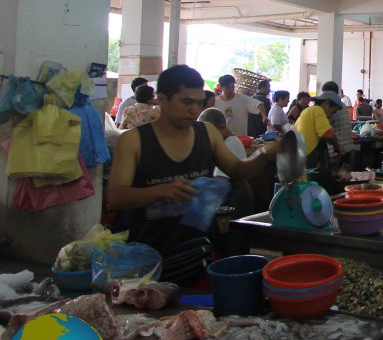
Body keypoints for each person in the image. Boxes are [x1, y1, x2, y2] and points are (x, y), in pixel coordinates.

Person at [106, 65, 278, 281]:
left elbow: (236, 171)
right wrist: (161, 191)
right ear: (161, 99)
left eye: (199, 103)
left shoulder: (207, 133)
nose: (194, 110)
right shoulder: (133, 141)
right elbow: (116, 197)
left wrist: (263, 155)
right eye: (186, 102)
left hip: (196, 252)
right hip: (146, 257)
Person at [197, 107, 256, 218]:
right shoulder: (221, 142)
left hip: (236, 198)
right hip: (228, 196)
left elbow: (220, 179)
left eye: (210, 133)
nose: (206, 137)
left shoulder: (231, 143)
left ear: (222, 127)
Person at [295, 90, 344, 193]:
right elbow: (328, 135)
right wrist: (337, 147)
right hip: (311, 168)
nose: (331, 116)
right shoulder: (317, 110)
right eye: (333, 111)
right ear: (326, 103)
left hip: (301, 166)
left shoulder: (306, 112)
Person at [321, 80, 356, 167]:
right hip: (348, 149)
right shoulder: (343, 105)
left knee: (334, 178)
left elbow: (325, 131)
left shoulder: (331, 107)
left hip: (336, 152)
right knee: (344, 178)